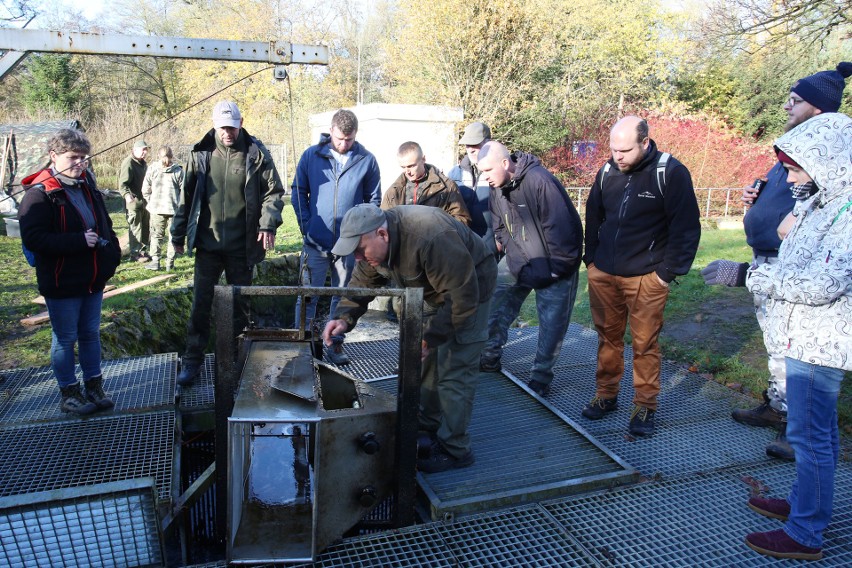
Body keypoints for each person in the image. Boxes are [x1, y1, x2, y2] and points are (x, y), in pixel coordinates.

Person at [702, 62, 852, 462]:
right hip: (774, 264)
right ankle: (780, 408)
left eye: (795, 100)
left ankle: (795, 430)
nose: (787, 106)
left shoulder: (830, 162)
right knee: (776, 341)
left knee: (799, 364)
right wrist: (759, 198)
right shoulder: (795, 144)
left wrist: (748, 274)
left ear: (819, 108)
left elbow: (827, 280)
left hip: (801, 289)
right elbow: (790, 191)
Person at [742, 112, 851, 562]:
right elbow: (795, 257)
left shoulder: (846, 213)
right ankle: (804, 502)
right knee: (814, 434)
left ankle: (805, 533)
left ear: (826, 162)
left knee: (811, 438)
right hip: (800, 336)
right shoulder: (822, 200)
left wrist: (751, 276)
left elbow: (825, 284)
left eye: (793, 168)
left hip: (820, 342)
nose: (788, 178)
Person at [322, 204, 496, 473]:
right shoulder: (373, 251)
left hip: (470, 288)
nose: (357, 257)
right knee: (424, 365)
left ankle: (455, 449)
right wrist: (344, 318)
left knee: (454, 369)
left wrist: (432, 338)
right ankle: (427, 426)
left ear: (382, 234)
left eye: (359, 250)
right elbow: (362, 285)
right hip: (430, 291)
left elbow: (462, 297)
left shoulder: (430, 236)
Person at [581, 116, 701, 436]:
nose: (617, 156)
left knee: (645, 343)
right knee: (607, 338)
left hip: (647, 277)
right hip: (604, 273)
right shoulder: (607, 172)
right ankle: (606, 396)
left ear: (645, 142)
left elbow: (686, 228)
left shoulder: (670, 172)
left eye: (625, 150)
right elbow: (593, 218)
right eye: (613, 149)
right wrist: (591, 261)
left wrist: (664, 274)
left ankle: (645, 406)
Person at [171, 100, 285, 386]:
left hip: (241, 246)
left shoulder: (256, 154)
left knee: (240, 305)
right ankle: (193, 359)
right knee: (200, 304)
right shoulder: (200, 155)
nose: (228, 133)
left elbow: (274, 192)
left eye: (232, 127)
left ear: (241, 122)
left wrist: (267, 223)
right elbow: (185, 197)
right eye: (223, 128)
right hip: (208, 246)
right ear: (214, 124)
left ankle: (238, 358)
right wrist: (177, 234)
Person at [18, 128, 122, 415]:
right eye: (73, 158)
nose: (80, 163)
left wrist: (111, 255)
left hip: (92, 279)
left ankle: (94, 386)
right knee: (64, 338)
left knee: (90, 334)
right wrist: (77, 241)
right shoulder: (39, 196)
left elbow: (106, 226)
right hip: (61, 280)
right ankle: (69, 392)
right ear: (54, 156)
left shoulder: (88, 187)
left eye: (84, 158)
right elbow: (34, 239)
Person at [475, 141, 583, 398]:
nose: (486, 177)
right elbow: (499, 222)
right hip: (518, 260)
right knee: (494, 303)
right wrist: (505, 243)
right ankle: (489, 356)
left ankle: (540, 378)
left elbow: (565, 230)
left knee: (551, 324)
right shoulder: (496, 187)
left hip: (554, 266)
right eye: (482, 172)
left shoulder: (540, 182)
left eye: (489, 170)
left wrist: (557, 270)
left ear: (505, 163)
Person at [291, 109, 381, 365]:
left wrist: (362, 236)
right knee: (308, 295)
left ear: (355, 135)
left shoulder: (367, 160)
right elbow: (299, 191)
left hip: (350, 246)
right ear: (331, 131)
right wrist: (306, 225)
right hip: (315, 242)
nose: (343, 145)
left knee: (342, 297)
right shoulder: (311, 156)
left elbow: (373, 202)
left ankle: (334, 345)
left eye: (349, 140)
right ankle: (300, 346)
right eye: (340, 139)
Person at [381, 141, 471, 224]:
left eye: (411, 166)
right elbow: (383, 223)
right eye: (403, 167)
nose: (407, 171)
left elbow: (462, 220)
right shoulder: (393, 192)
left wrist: (435, 228)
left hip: (437, 240)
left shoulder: (447, 187)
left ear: (423, 159)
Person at [448, 122, 496, 252]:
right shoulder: (454, 173)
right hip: (461, 246)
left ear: (488, 143)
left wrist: (500, 241)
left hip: (490, 246)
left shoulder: (499, 172)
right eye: (468, 145)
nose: (471, 149)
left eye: (475, 144)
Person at [142, 146, 184, 271]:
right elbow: (184, 191)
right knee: (173, 236)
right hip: (174, 209)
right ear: (172, 156)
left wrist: (150, 201)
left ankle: (155, 262)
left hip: (156, 209)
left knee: (156, 236)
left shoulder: (152, 169)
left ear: (158, 155)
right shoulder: (178, 171)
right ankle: (169, 263)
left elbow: (145, 189)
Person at [118, 139, 150, 262]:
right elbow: (122, 184)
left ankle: (143, 251)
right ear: (135, 150)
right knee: (136, 228)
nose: (145, 152)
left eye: (146, 150)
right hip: (133, 202)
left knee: (146, 227)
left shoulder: (143, 164)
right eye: (143, 150)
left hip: (145, 201)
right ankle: (135, 253)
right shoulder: (129, 163)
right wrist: (126, 195)